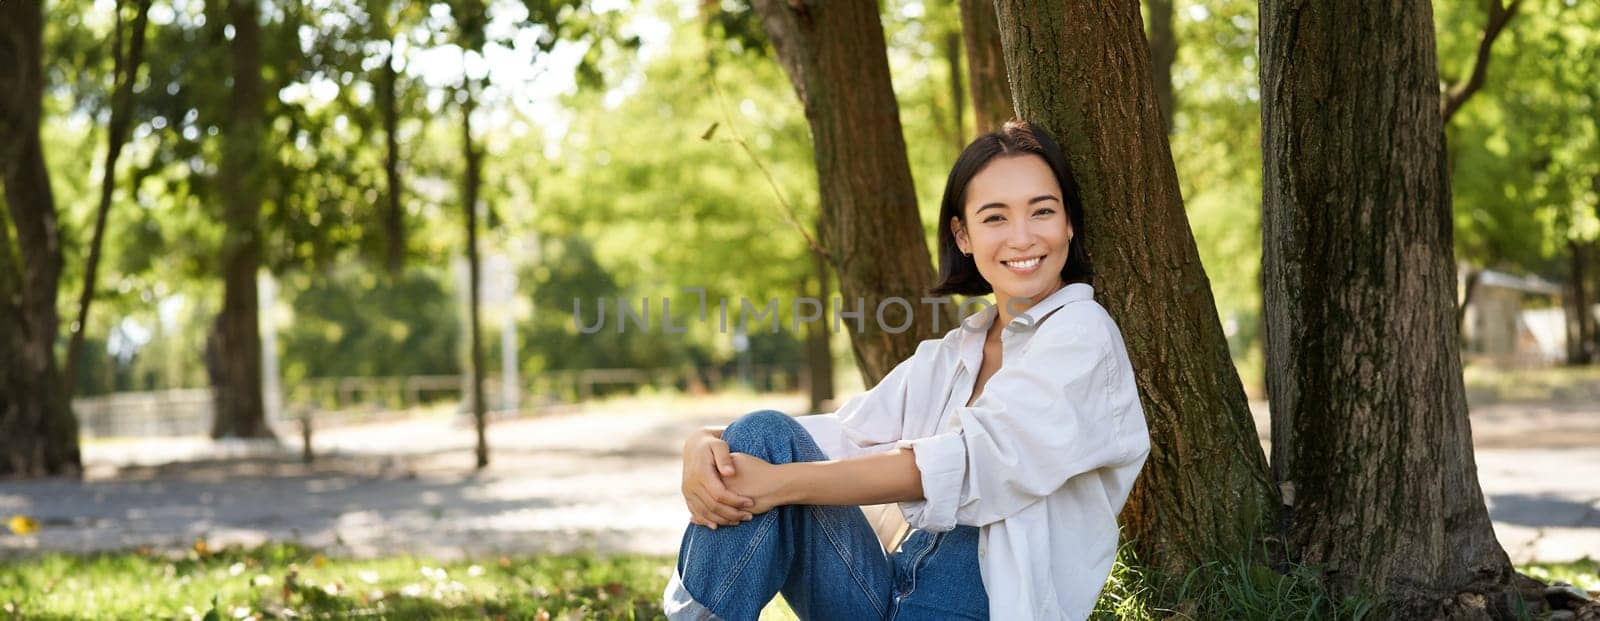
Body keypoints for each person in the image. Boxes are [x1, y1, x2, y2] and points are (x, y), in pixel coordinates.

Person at [663, 120, 1150, 620]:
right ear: (963, 235)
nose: (1021, 238)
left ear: (1069, 222)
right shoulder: (952, 354)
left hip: (980, 611)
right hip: (884, 593)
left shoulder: (1082, 336)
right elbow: (844, 435)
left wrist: (781, 484)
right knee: (761, 432)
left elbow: (969, 462)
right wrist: (705, 442)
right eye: (995, 218)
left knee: (773, 461)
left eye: (1042, 211)